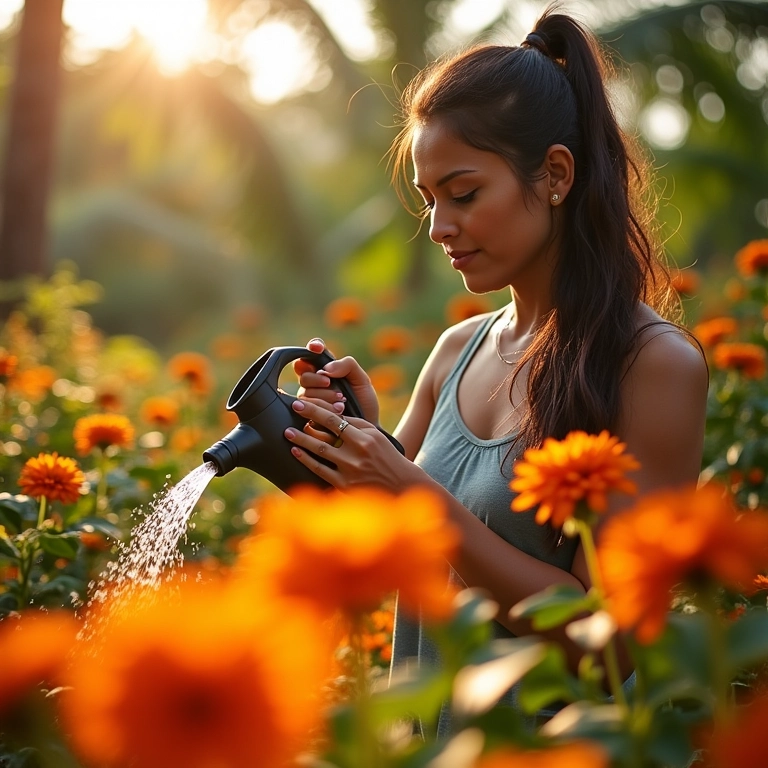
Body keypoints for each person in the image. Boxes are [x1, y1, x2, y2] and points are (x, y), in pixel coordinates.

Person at [285, 4, 708, 737]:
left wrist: (408, 484)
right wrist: (355, 439)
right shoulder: (458, 351)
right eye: (428, 200)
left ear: (554, 175)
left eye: (464, 193)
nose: (440, 227)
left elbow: (610, 650)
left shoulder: (654, 366)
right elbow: (395, 546)